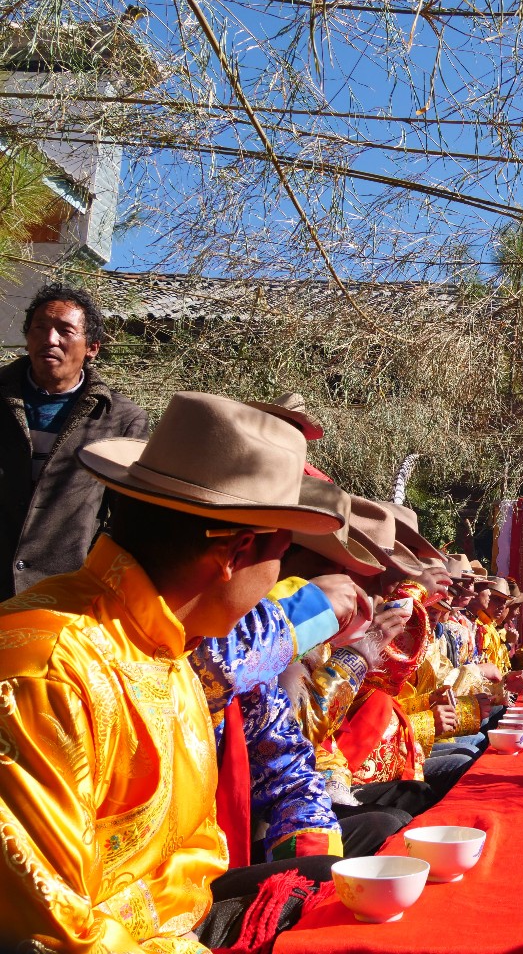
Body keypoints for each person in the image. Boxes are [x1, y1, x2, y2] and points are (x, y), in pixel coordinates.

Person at [0, 391, 344, 951]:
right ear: (238, 551)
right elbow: (52, 933)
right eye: (282, 556)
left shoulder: (170, 646)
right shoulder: (45, 670)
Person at [0, 283, 148, 599]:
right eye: (39, 327)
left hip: (62, 595)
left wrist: (92, 574)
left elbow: (128, 518)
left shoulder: (120, 419)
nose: (49, 339)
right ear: (27, 338)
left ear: (92, 347)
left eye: (65, 331)